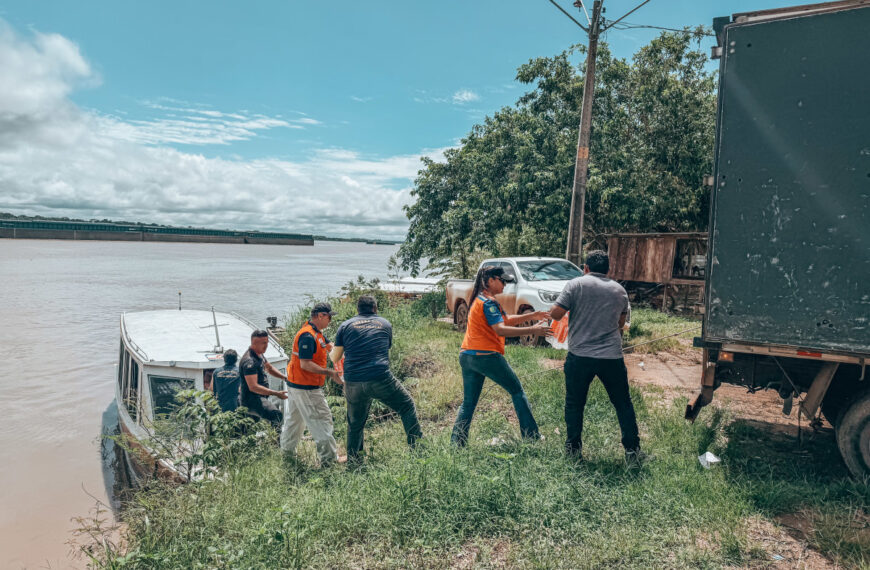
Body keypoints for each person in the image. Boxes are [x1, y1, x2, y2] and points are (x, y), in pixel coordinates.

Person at [548, 250, 647, 466]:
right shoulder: (619, 290)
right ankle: (632, 451)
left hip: (580, 356)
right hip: (611, 356)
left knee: (574, 404)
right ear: (608, 270)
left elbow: (555, 314)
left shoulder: (576, 285)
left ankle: (573, 452)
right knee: (623, 403)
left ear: (585, 268)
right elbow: (621, 324)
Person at [451, 265, 551, 446]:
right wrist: (534, 329)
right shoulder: (488, 302)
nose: (505, 284)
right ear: (490, 281)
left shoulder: (480, 299)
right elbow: (500, 329)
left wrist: (534, 315)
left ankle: (456, 445)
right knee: (517, 391)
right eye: (502, 280)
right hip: (486, 356)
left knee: (468, 403)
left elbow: (505, 319)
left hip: (467, 355)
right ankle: (531, 437)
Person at [329, 295, 422, 462]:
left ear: (357, 310)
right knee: (406, 406)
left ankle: (355, 461)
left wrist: (330, 349)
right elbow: (385, 347)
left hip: (353, 380)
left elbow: (335, 358)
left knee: (355, 423)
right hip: (379, 376)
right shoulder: (385, 324)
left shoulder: (345, 326)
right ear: (375, 308)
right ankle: (418, 450)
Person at [280, 303, 345, 466]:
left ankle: (287, 455)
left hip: (296, 385)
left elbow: (332, 350)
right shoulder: (307, 336)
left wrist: (347, 356)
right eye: (329, 317)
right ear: (321, 316)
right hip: (306, 387)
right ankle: (329, 461)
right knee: (322, 420)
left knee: (294, 421)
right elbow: (305, 364)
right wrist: (331, 373)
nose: (330, 320)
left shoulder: (316, 333)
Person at [240, 330, 288, 427]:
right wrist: (276, 393)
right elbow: (253, 387)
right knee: (276, 415)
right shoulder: (249, 361)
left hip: (260, 397)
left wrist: (285, 378)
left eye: (267, 343)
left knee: (252, 427)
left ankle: (264, 440)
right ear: (254, 343)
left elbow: (269, 368)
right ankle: (276, 441)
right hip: (252, 400)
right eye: (263, 343)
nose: (266, 346)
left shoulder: (259, 354)